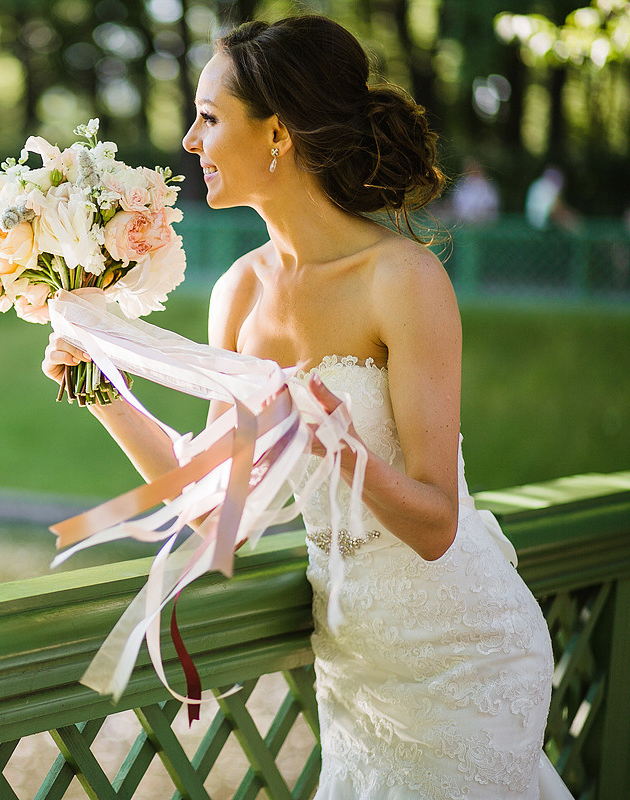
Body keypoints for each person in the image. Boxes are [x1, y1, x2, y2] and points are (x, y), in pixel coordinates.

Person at [42, 15, 573, 800]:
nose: (190, 140)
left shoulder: (402, 279)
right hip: (354, 667)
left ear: (278, 134)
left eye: (209, 117)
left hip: (463, 653)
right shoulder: (239, 295)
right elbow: (209, 509)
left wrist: (336, 445)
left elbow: (435, 523)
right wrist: (102, 390)